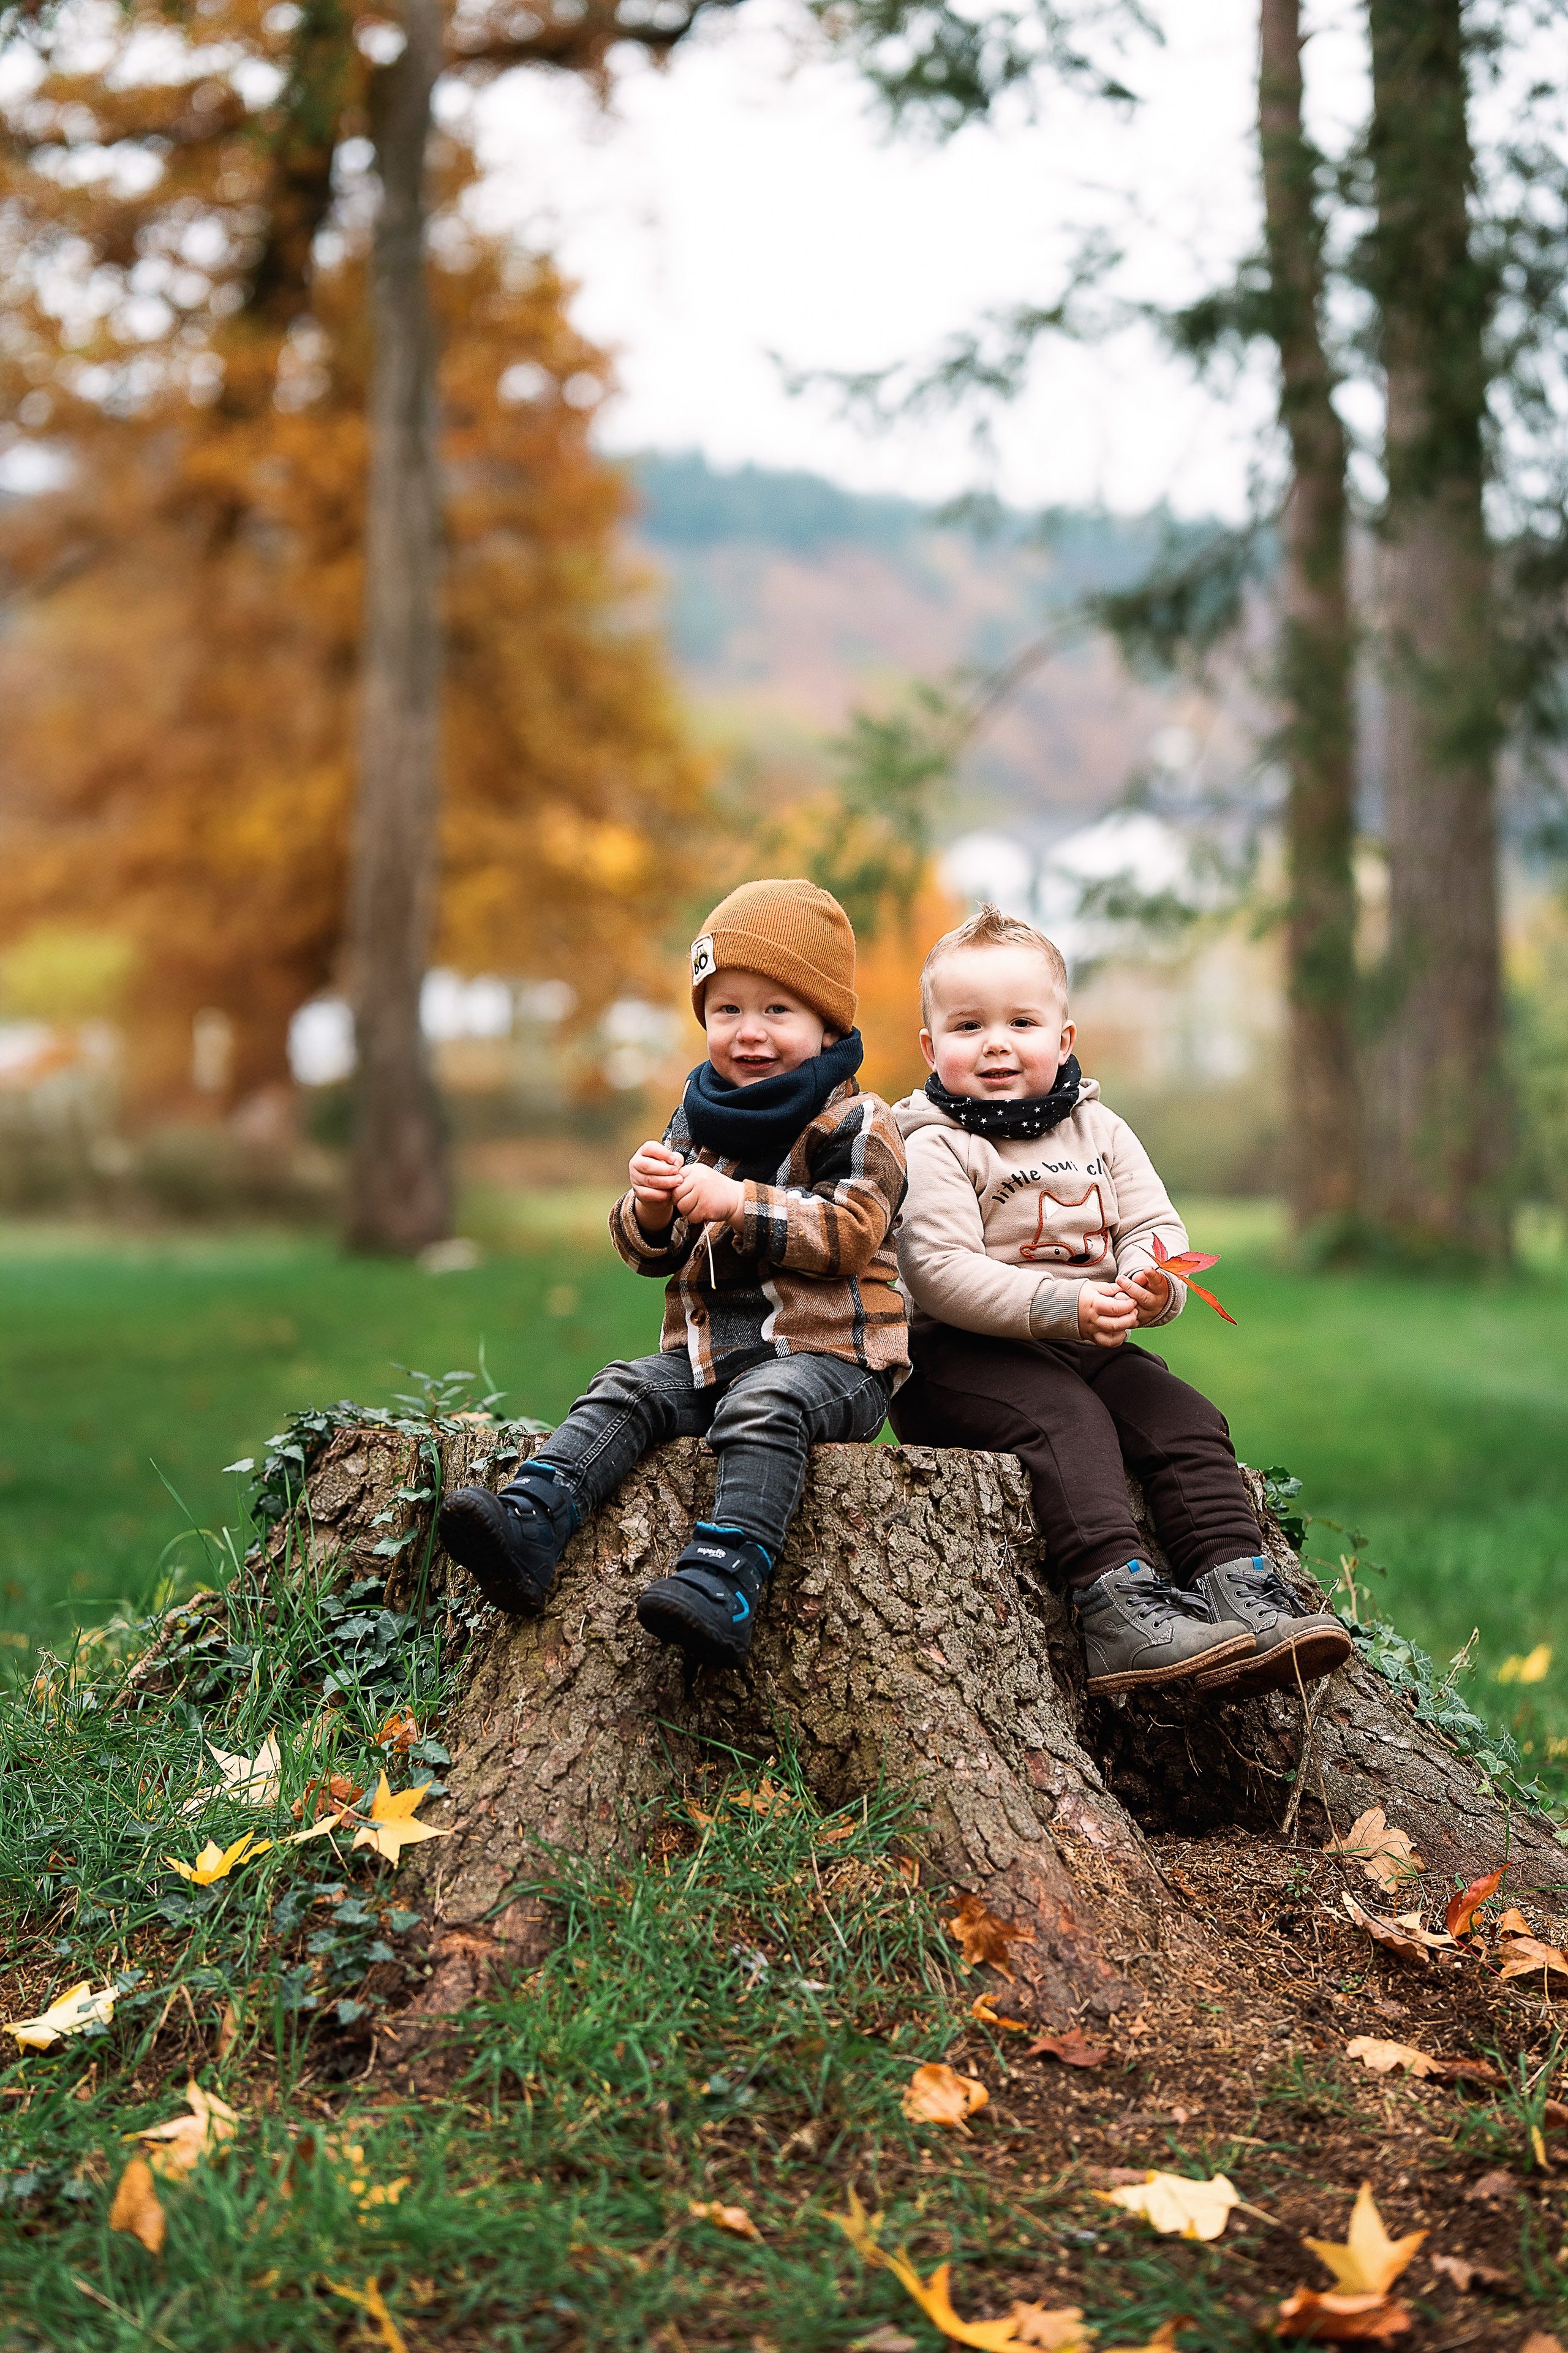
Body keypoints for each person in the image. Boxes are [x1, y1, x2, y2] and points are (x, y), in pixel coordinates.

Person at [439, 878, 909, 1668]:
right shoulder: (697, 1118)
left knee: (767, 1403)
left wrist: (738, 1201)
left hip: (834, 1362)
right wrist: (652, 1210)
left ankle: (727, 1578)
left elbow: (851, 1235)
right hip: (710, 1356)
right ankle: (533, 1519)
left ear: (829, 1026)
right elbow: (644, 1250)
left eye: (776, 1011)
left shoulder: (858, 1122)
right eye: (726, 1010)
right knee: (627, 1385)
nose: (748, 1034)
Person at [889, 904, 1351, 1699]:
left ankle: (1240, 1584)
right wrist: (1066, 1306)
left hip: (1086, 1338)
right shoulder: (934, 1142)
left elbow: (1153, 1227)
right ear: (932, 1047)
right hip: (957, 1358)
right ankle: (1118, 1605)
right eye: (968, 1026)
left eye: (1021, 1022)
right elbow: (939, 1271)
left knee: (1184, 1415)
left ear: (1064, 1038)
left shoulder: (1099, 1128)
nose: (996, 1043)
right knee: (1066, 1420)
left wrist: (1150, 1280)